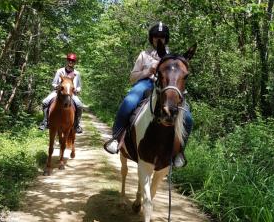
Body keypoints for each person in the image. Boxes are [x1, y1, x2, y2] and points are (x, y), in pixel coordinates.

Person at [104, 22, 193, 168]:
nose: (159, 39)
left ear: (166, 38)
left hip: (166, 88)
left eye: (162, 36)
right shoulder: (143, 55)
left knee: (188, 117)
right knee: (129, 101)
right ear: (151, 38)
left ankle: (179, 152)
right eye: (156, 36)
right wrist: (149, 71)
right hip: (146, 84)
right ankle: (116, 137)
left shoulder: (172, 58)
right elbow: (132, 77)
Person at [39, 52, 83, 133]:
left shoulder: (77, 73)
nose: (71, 62)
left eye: (72, 61)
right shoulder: (60, 71)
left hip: (71, 94)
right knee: (44, 102)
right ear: (67, 61)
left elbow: (79, 86)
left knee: (79, 106)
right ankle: (45, 122)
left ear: (74, 62)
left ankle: (77, 124)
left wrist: (77, 89)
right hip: (59, 92)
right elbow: (54, 83)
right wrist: (57, 87)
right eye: (69, 60)